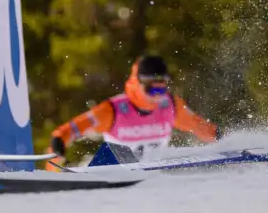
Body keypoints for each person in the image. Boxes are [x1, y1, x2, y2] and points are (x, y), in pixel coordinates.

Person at [49, 55, 219, 164]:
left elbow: (199, 126)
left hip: (153, 178)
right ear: (138, 85)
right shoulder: (113, 110)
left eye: (162, 90)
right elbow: (71, 130)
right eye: (153, 90)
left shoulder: (170, 105)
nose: (158, 97)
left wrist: (222, 139)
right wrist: (58, 145)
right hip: (117, 177)